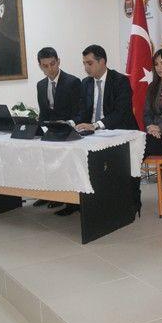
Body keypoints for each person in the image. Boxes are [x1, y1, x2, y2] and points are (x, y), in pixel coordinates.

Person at [55, 44, 138, 216]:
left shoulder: (120, 81)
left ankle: (126, 202)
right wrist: (69, 123)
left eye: (89, 63)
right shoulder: (86, 83)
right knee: (70, 153)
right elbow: (82, 112)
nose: (86, 67)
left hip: (118, 131)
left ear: (102, 62)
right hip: (93, 133)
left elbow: (121, 113)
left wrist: (96, 125)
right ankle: (79, 202)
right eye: (84, 63)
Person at [33, 47, 81, 209]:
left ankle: (70, 202)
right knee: (44, 161)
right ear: (40, 66)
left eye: (52, 64)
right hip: (50, 132)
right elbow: (43, 113)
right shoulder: (40, 85)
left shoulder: (72, 82)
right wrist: (39, 128)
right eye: (45, 66)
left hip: (69, 132)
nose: (50, 69)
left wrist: (68, 123)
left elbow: (80, 111)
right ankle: (48, 195)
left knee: (64, 166)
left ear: (58, 61)